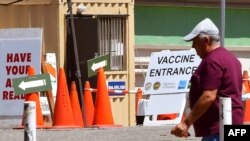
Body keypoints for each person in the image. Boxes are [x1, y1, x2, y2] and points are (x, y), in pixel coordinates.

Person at [171, 18, 244, 141]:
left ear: (206, 40)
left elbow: (208, 96)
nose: (193, 46)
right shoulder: (232, 59)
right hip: (235, 126)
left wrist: (185, 123)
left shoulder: (212, 61)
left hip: (218, 130)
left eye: (195, 42)